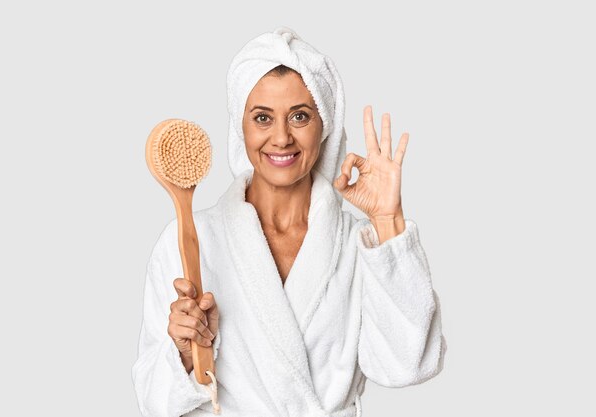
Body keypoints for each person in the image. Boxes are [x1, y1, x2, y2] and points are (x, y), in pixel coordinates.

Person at [132, 27, 447, 417]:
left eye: (300, 116)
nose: (281, 138)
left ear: (325, 124)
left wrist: (388, 220)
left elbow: (407, 365)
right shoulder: (193, 239)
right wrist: (185, 353)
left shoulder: (357, 244)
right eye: (262, 118)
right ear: (240, 127)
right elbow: (151, 400)